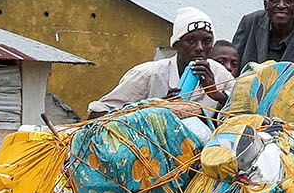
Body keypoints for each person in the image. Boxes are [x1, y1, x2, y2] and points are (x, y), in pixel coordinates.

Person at [88, 7, 235, 116]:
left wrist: (217, 95)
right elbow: (97, 115)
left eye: (207, 41)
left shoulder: (220, 75)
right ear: (176, 44)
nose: (199, 48)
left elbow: (245, 114)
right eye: (190, 41)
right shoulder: (148, 75)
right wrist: (156, 109)